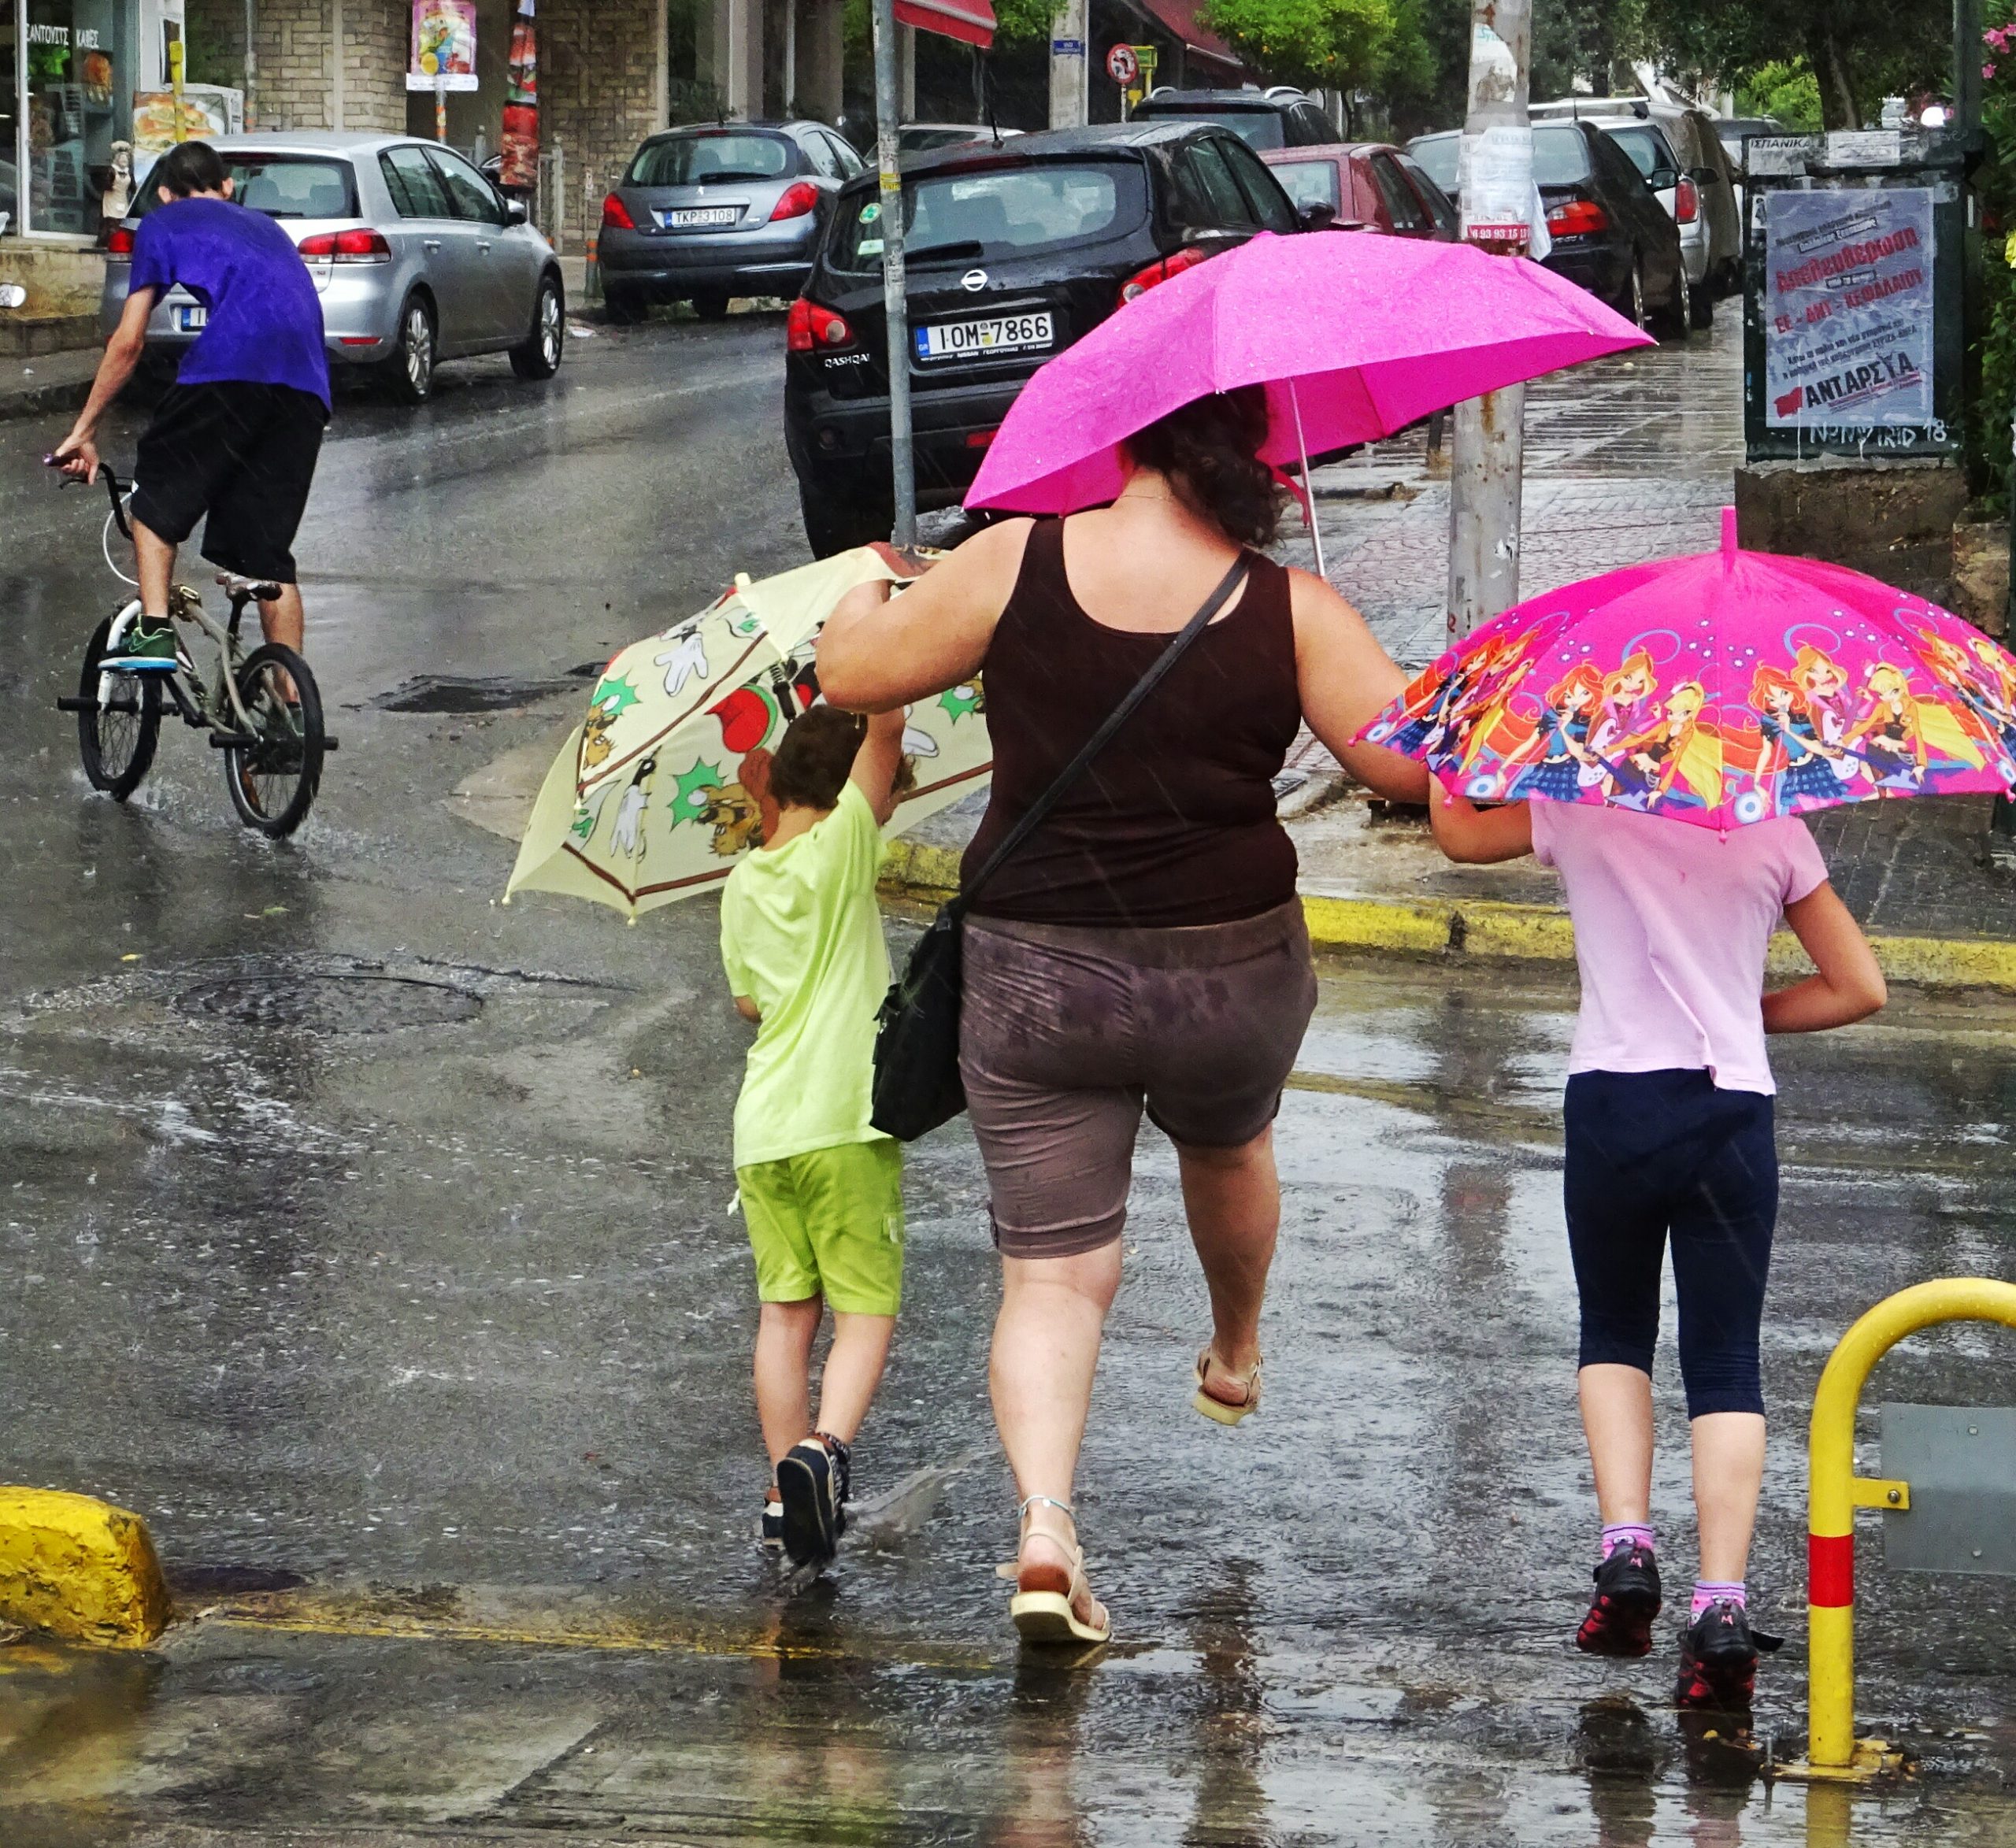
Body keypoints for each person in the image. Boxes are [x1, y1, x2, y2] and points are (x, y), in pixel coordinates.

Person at [817, 387, 1429, 1646]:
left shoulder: (1011, 560)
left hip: (1038, 971)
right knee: (1229, 1141)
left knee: (1051, 1273)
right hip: (1230, 972)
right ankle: (1235, 1348)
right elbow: (1409, 765)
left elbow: (850, 673)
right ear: (1250, 458)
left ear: (1133, 440)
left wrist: (864, 591)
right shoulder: (1291, 605)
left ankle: (1046, 1525)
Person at [1426, 788, 1886, 1710]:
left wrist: (1454, 752)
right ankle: (1720, 1608)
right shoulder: (1775, 830)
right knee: (1724, 1361)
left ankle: (1627, 1551)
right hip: (1728, 1108)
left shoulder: (1578, 809)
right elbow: (1858, 986)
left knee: (1614, 1330)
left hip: (1611, 1103)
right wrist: (1742, 1013)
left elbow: (1460, 835)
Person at [720, 699, 910, 1569]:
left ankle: (779, 1490)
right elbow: (888, 734)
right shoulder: (843, 848)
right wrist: (880, 663)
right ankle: (823, 1452)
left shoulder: (741, 882)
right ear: (844, 796)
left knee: (784, 1314)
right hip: (844, 1119)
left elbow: (749, 1002)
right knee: (863, 1313)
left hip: (763, 1131)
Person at [51, 139, 330, 672]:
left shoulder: (163, 223)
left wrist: (84, 428)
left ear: (163, 194)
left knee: (156, 493)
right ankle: (289, 711)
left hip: (230, 368)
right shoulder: (266, 227)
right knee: (268, 559)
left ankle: (154, 632)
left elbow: (129, 341)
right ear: (227, 187)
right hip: (307, 384)